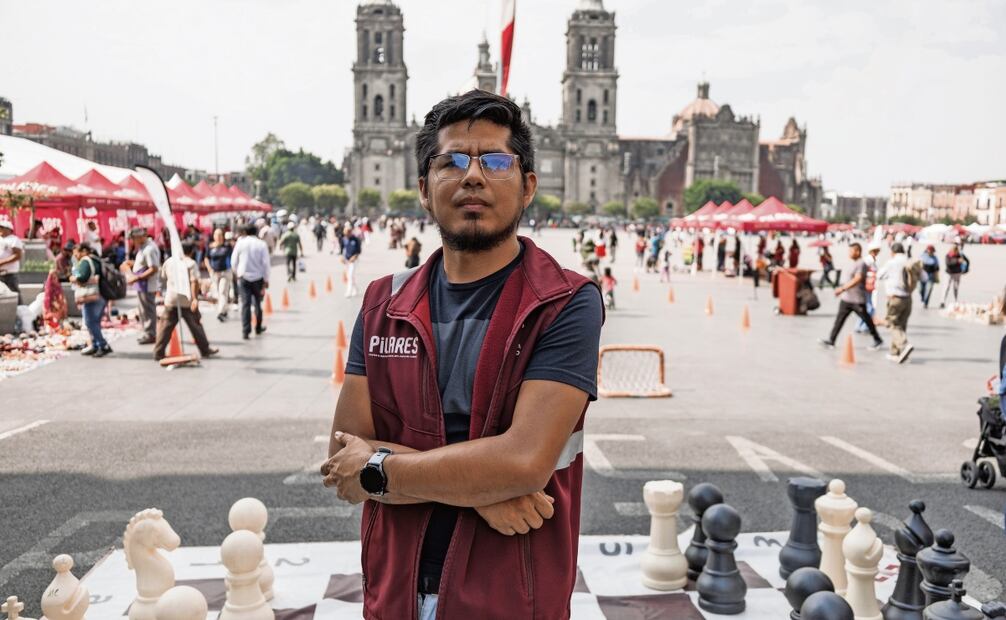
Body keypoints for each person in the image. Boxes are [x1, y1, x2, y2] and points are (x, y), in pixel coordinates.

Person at [320, 90, 603, 620]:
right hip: (394, 593)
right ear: (424, 190)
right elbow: (343, 460)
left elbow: (524, 461)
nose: (473, 176)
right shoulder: (383, 303)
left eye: (495, 161)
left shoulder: (564, 303)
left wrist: (381, 468)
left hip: (510, 599)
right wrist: (483, 488)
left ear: (528, 187)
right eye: (451, 161)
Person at [153, 241, 218, 361]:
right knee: (196, 325)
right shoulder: (191, 263)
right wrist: (194, 298)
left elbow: (164, 277)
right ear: (191, 251)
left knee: (165, 327)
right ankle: (205, 349)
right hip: (187, 300)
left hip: (171, 298)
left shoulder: (169, 261)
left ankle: (158, 352)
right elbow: (194, 282)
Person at [818, 242, 884, 350]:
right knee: (839, 320)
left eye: (851, 251)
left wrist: (842, 288)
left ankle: (877, 339)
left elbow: (858, 279)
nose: (849, 253)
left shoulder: (861, 264)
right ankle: (831, 340)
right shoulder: (854, 263)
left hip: (857, 299)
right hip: (847, 299)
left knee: (867, 319)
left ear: (857, 251)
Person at [70, 244, 112, 357]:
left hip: (91, 295)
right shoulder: (96, 260)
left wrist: (73, 278)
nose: (76, 256)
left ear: (84, 251)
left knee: (90, 322)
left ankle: (102, 345)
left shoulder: (85, 261)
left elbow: (82, 277)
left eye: (76, 254)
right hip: (102, 294)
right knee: (95, 322)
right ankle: (95, 345)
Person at [877, 242, 915, 363]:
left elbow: (879, 275)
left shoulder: (891, 263)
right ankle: (895, 352)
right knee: (901, 325)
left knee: (891, 323)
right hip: (908, 298)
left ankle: (904, 345)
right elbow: (923, 276)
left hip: (895, 298)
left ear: (892, 252)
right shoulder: (910, 261)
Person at [231, 223, 270, 340]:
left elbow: (233, 261)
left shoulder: (240, 243)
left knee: (245, 304)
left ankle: (246, 330)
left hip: (244, 277)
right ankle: (258, 327)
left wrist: (237, 273)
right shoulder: (261, 244)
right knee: (257, 303)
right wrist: (266, 279)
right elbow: (266, 264)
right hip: (258, 278)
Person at [123, 227, 161, 345]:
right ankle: (148, 332)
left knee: (147, 310)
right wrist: (133, 264)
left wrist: (137, 278)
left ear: (140, 237)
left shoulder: (149, 249)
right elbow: (144, 264)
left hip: (147, 284)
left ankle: (150, 334)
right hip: (142, 284)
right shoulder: (144, 247)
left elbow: (153, 268)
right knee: (143, 310)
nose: (132, 241)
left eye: (133, 239)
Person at [204, 229, 233, 322]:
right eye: (216, 235)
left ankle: (220, 312)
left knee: (222, 291)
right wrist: (209, 268)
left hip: (225, 273)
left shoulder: (227, 246)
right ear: (214, 236)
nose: (218, 237)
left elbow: (232, 258)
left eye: (220, 235)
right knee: (217, 293)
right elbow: (206, 258)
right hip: (214, 273)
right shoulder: (210, 247)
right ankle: (225, 310)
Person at [0, 217, 24, 303]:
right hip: (1, 273)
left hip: (9, 274)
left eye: (2, 227)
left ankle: (21, 308)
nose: (0, 229)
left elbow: (17, 255)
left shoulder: (14, 239)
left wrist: (2, 262)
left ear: (9, 229)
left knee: (14, 293)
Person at [940, 243, 968, 308]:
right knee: (946, 287)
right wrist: (957, 261)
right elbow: (948, 263)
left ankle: (955, 301)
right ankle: (942, 301)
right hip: (949, 273)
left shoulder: (960, 255)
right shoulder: (948, 255)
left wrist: (966, 269)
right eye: (954, 249)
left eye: (956, 249)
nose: (955, 250)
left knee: (956, 288)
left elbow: (967, 261)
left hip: (957, 273)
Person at [341, 224, 362, 297]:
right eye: (345, 234)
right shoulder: (344, 239)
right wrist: (342, 257)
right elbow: (342, 249)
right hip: (347, 260)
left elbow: (359, 251)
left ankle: (348, 291)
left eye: (347, 233)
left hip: (354, 260)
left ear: (350, 232)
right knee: (350, 276)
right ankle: (356, 289)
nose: (346, 235)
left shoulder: (356, 239)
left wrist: (354, 256)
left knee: (350, 275)